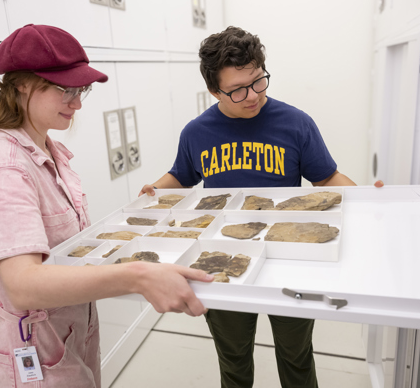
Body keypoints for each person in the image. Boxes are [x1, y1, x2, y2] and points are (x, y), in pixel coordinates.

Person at [0, 24, 214, 388]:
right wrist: (138, 274)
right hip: (37, 345)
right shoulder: (2, 164)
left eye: (81, 90)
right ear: (22, 84)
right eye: (65, 90)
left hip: (72, 333)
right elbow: (23, 285)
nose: (77, 103)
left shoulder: (48, 150)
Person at [140, 26, 382, 388]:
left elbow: (327, 179)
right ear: (213, 90)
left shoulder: (296, 124)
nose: (252, 95)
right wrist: (155, 190)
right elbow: (183, 175)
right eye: (237, 90)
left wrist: (371, 199)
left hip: (287, 259)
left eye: (258, 81)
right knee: (234, 362)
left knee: (296, 356)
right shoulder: (196, 132)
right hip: (220, 262)